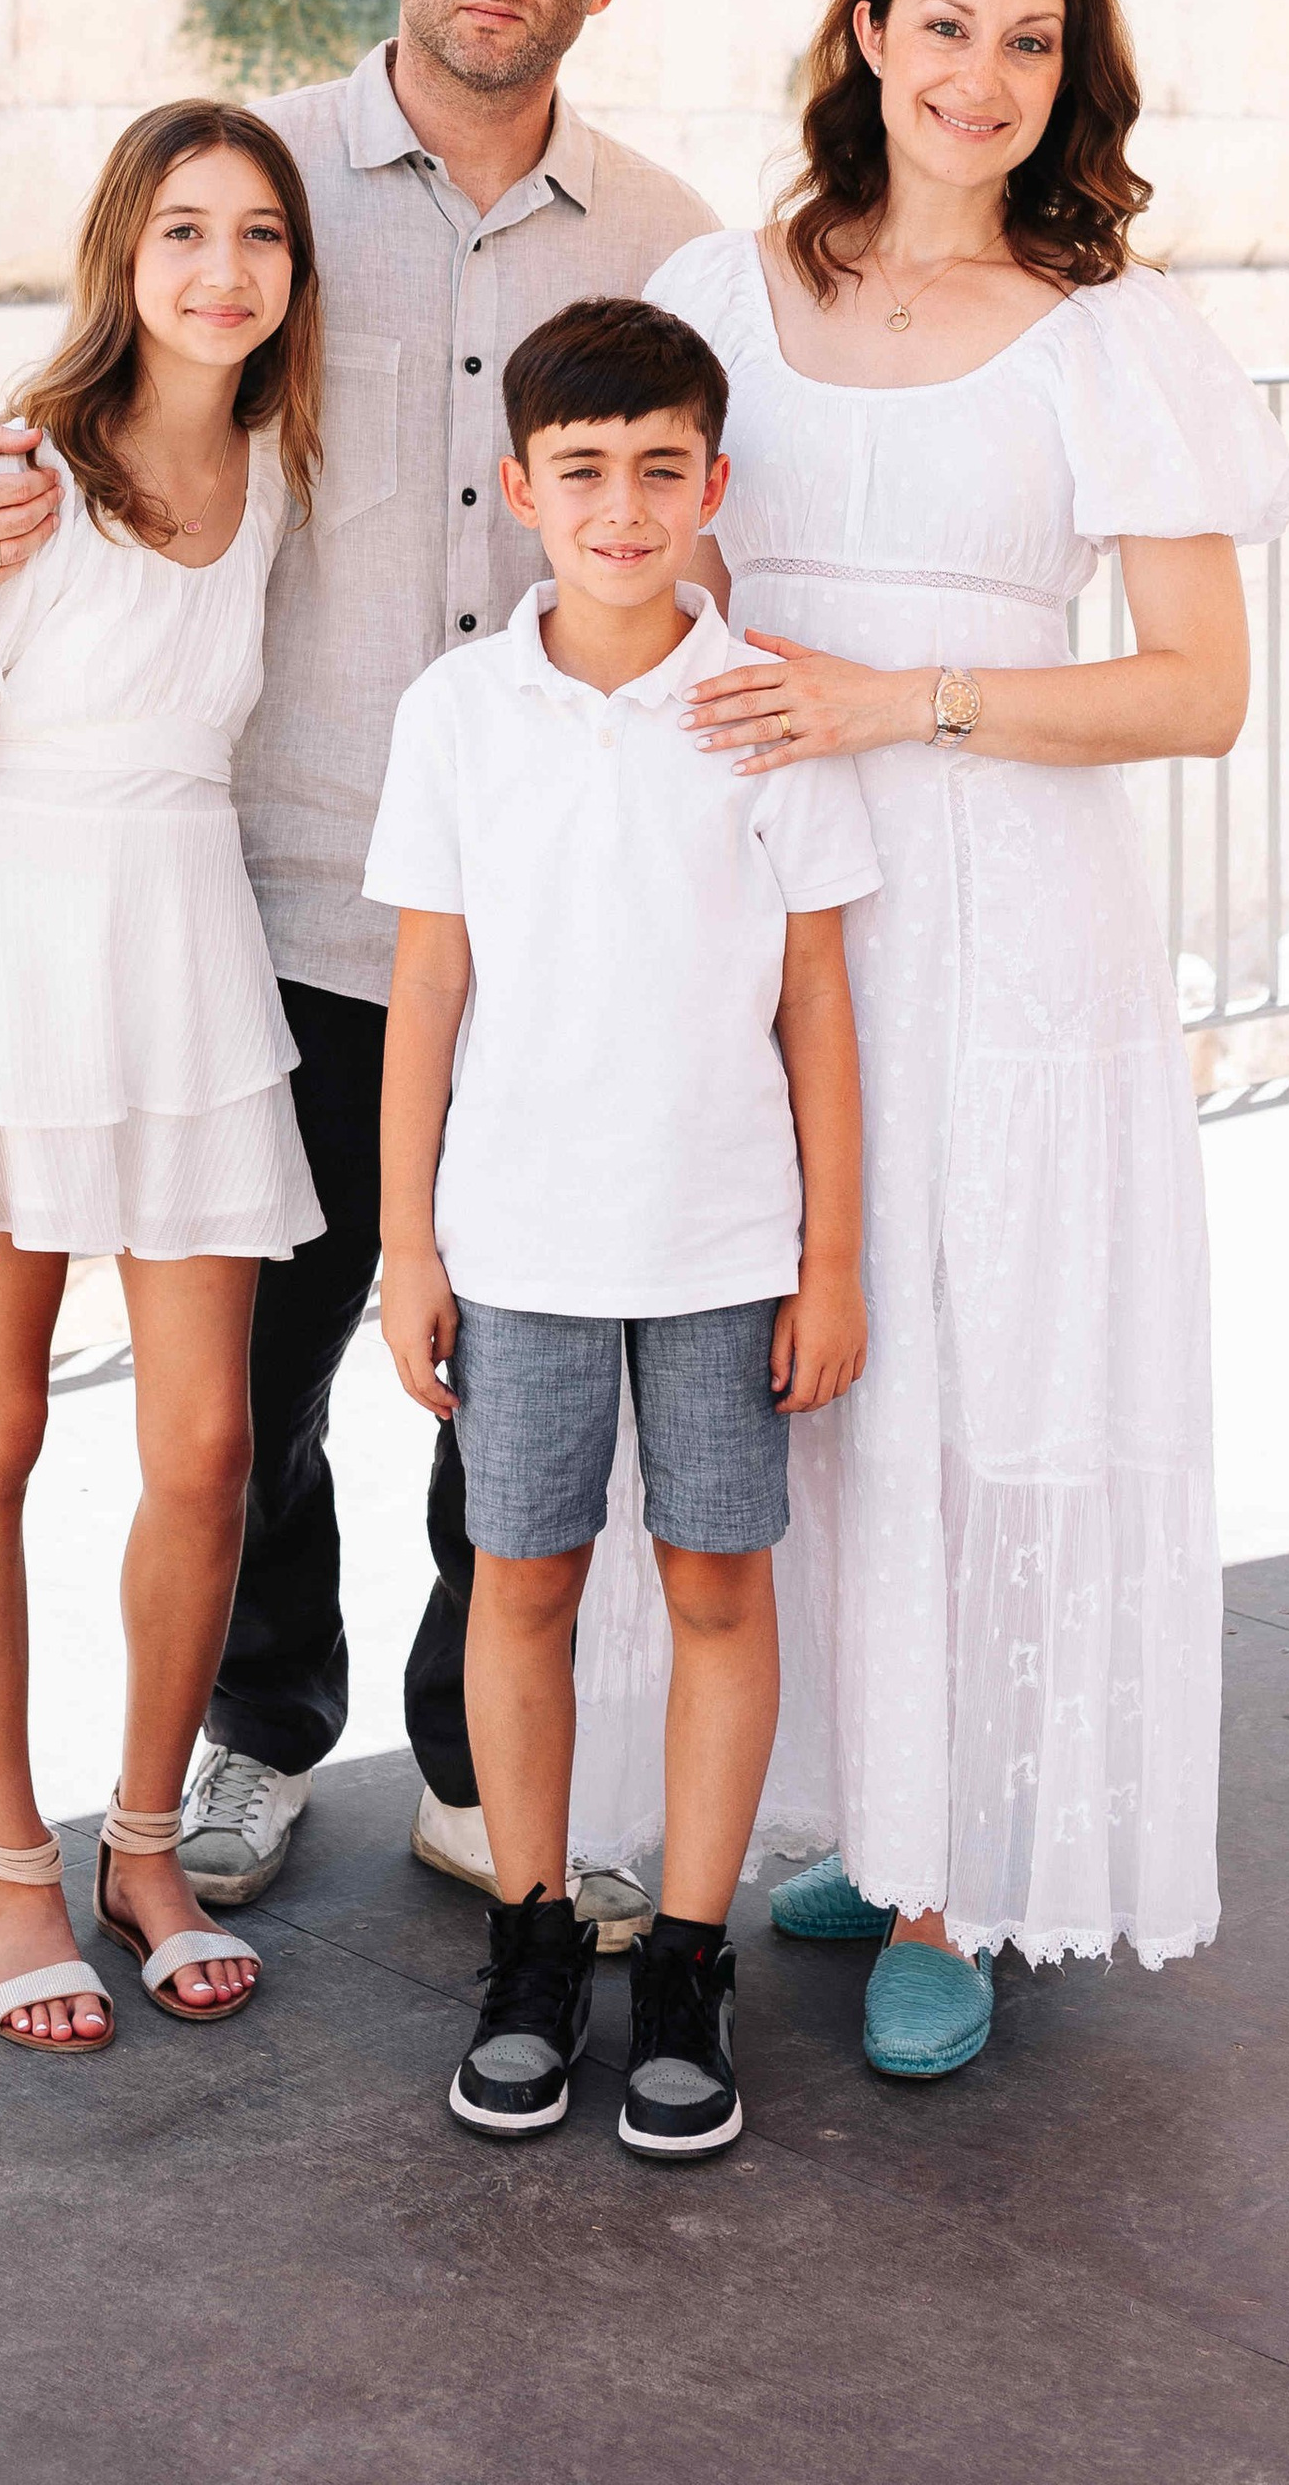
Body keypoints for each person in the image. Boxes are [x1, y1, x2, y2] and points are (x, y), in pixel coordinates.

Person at [0, 0, 715, 1932]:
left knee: (511, 1368)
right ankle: (254, 1731)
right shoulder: (265, 188)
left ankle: (462, 1753)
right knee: (250, 1399)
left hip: (548, 931)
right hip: (264, 919)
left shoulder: (668, 233)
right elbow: (71, 397)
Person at [638, 0, 1289, 2080]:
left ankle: (953, 1875)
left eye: (1028, 43)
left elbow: (1196, 690)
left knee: (983, 1362)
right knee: (800, 1366)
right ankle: (851, 1803)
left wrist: (893, 703)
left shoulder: (1112, 337)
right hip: (766, 903)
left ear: (1067, 77)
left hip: (1008, 922)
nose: (979, 79)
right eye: (944, 26)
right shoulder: (715, 294)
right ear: (863, 34)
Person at [0, 102, 328, 2047]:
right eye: (180, 230)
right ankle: (6, 1873)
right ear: (122, 251)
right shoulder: (14, 480)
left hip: (185, 967)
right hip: (8, 981)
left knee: (205, 1446)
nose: (218, 271)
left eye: (257, 236)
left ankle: (139, 1838)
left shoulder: (277, 464)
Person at [371, 301, 878, 2154]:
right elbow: (428, 988)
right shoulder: (457, 714)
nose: (622, 503)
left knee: (719, 1586)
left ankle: (684, 1956)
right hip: (516, 1248)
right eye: (581, 470)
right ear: (521, 490)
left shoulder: (764, 709)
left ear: (713, 487)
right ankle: (528, 1943)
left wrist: (832, 1258)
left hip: (728, 1245)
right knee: (522, 1582)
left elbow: (817, 998)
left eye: (663, 468)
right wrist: (408, 1247)